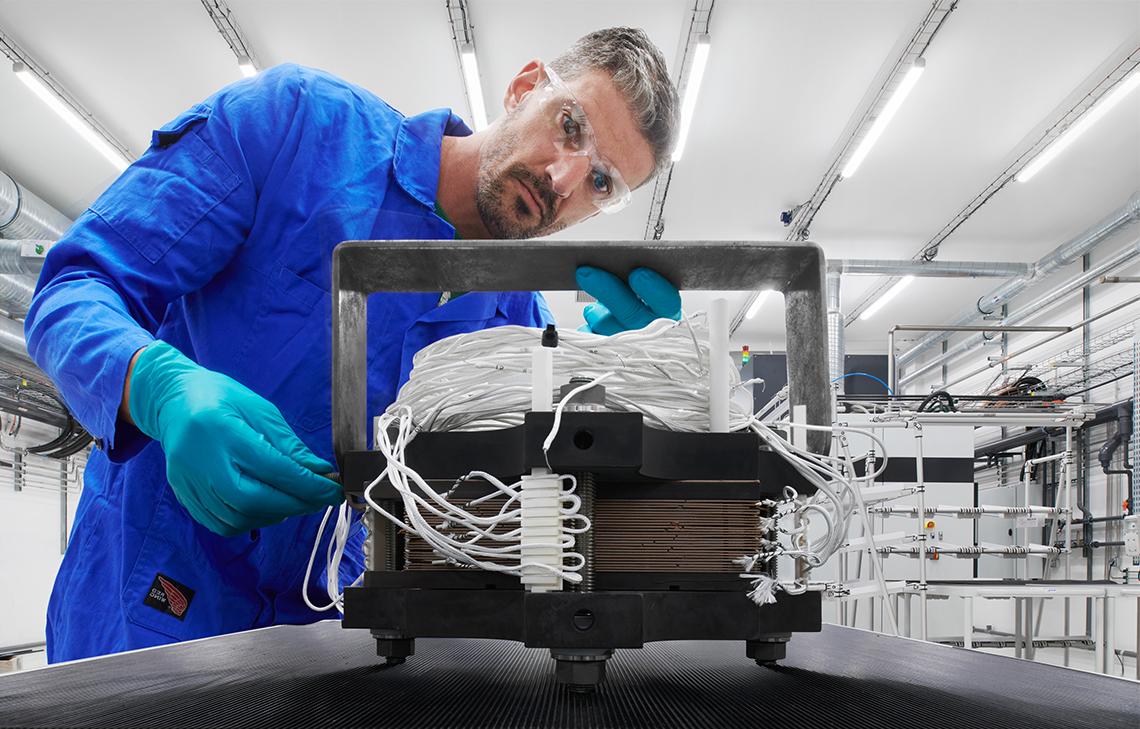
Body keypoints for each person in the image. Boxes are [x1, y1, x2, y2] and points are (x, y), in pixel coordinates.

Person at [25, 27, 680, 663]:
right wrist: (156, 388)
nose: (562, 179)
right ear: (525, 86)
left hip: (325, 638)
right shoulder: (295, 128)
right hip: (145, 604)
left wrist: (597, 390)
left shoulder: (518, 326)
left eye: (600, 183)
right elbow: (75, 287)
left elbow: (508, 525)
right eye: (570, 126)